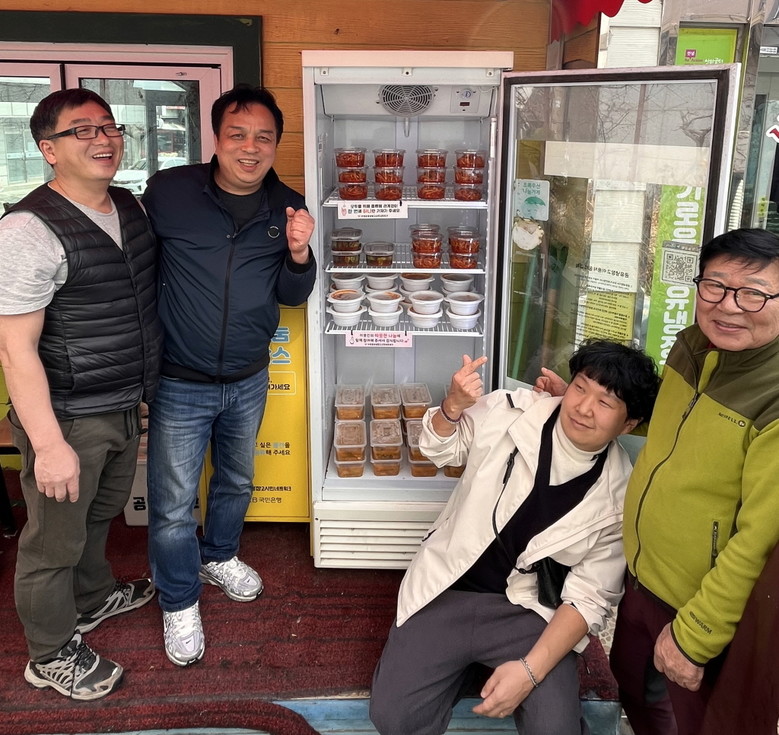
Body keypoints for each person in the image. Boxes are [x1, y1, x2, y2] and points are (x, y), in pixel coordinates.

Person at [535, 228, 779, 735]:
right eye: (716, 285)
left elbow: (758, 541)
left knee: (705, 721)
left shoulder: (772, 397)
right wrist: (591, 408)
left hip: (705, 605)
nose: (729, 306)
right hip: (643, 577)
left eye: (754, 293)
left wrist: (696, 636)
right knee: (634, 689)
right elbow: (678, 421)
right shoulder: (694, 344)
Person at [370, 340, 659, 735]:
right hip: (449, 586)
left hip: (529, 611)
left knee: (555, 729)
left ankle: (473, 667)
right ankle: (459, 665)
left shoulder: (620, 496)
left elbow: (589, 598)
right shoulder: (511, 410)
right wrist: (452, 407)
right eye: (579, 387)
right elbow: (440, 451)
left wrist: (529, 672)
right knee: (395, 716)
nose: (583, 408)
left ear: (628, 425)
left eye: (605, 403)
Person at [141, 85, 316, 667]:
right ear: (216, 139)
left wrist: (299, 255)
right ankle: (178, 599)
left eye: (264, 137)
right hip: (179, 379)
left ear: (276, 145)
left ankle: (218, 555)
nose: (250, 147)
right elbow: (137, 267)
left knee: (236, 481)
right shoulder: (170, 192)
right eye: (237, 134)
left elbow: (292, 295)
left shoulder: (287, 206)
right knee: (172, 503)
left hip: (248, 376)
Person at [0, 88, 162, 700]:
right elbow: (15, 350)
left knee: (97, 515)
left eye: (110, 126)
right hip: (66, 415)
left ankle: (92, 599)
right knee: (52, 541)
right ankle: (48, 653)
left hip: (120, 403)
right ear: (49, 149)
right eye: (82, 130)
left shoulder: (127, 205)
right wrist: (48, 446)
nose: (103, 138)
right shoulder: (28, 229)